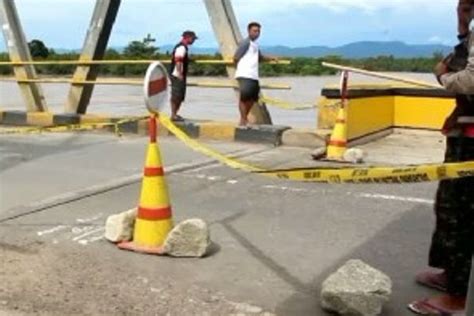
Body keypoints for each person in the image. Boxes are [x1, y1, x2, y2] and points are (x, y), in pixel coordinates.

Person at [408, 0, 474, 314]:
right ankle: (452, 276)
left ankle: (460, 296)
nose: (464, 15)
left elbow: (471, 80)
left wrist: (442, 77)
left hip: (472, 143)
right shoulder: (465, 42)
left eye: (469, 7)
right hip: (464, 134)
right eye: (462, 8)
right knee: (448, 206)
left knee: (460, 213)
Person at [233, 22, 277, 126]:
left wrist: (271, 58)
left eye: (258, 31)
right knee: (244, 98)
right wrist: (241, 68)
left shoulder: (255, 45)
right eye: (254, 31)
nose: (257, 33)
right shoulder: (245, 43)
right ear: (249, 31)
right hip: (244, 75)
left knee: (253, 99)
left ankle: (243, 118)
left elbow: (260, 58)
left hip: (253, 75)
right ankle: (243, 120)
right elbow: (236, 57)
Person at [169, 30, 197, 121]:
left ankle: (175, 114)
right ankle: (173, 115)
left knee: (180, 96)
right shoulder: (181, 47)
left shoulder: (182, 47)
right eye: (193, 39)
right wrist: (179, 73)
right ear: (188, 38)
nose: (193, 41)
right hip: (177, 75)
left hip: (178, 75)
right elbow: (178, 60)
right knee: (177, 95)